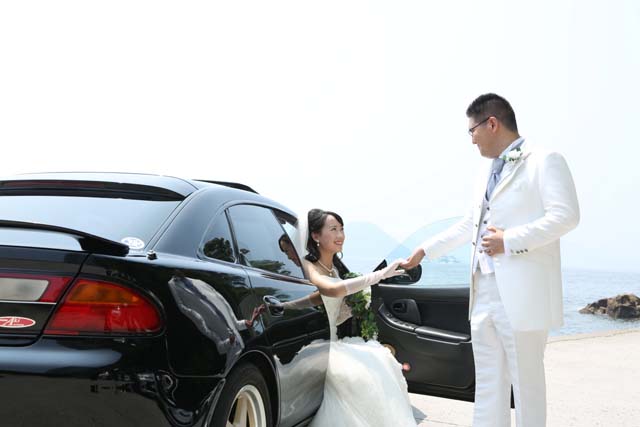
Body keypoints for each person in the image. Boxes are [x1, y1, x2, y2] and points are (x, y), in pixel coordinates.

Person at [402, 93, 580, 427]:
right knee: (487, 385)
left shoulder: (545, 160)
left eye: (472, 131)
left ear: (492, 123)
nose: (472, 139)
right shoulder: (484, 171)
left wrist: (508, 241)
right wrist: (425, 250)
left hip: (522, 293)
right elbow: (470, 224)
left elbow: (566, 216)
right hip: (482, 291)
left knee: (526, 385)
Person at [288, 208, 417, 427]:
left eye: (342, 229)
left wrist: (349, 308)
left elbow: (322, 305)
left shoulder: (335, 269)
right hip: (321, 347)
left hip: (334, 342)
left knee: (380, 360)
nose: (340, 235)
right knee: (364, 373)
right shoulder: (308, 265)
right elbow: (332, 290)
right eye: (333, 229)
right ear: (316, 236)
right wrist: (380, 275)